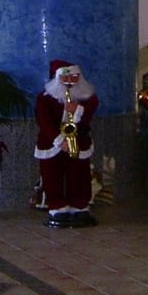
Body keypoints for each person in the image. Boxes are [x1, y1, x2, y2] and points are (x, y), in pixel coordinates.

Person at [34, 59, 99, 228]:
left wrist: (77, 110)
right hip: (52, 143)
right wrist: (58, 140)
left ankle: (79, 206)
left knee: (79, 174)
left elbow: (88, 117)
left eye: (74, 78)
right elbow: (43, 121)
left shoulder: (87, 98)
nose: (70, 82)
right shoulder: (45, 98)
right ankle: (57, 208)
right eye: (66, 78)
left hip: (79, 141)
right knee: (52, 175)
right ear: (57, 79)